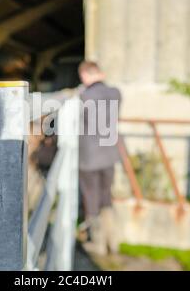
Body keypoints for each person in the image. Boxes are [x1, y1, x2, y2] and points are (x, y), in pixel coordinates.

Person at [78, 61, 121, 255]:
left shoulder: (84, 96)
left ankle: (98, 244)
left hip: (89, 158)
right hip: (109, 155)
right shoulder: (115, 93)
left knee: (91, 198)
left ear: (85, 75)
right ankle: (113, 240)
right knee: (106, 197)